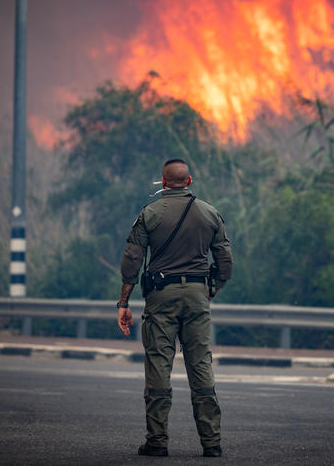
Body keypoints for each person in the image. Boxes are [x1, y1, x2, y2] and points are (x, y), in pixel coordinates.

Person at [117, 158, 233, 458]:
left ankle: (157, 441)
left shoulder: (150, 213)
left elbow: (131, 260)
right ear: (190, 181)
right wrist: (212, 289)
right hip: (197, 296)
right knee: (200, 364)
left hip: (161, 297)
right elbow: (225, 262)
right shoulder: (210, 213)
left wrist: (124, 302)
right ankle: (212, 443)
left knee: (158, 365)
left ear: (164, 182)